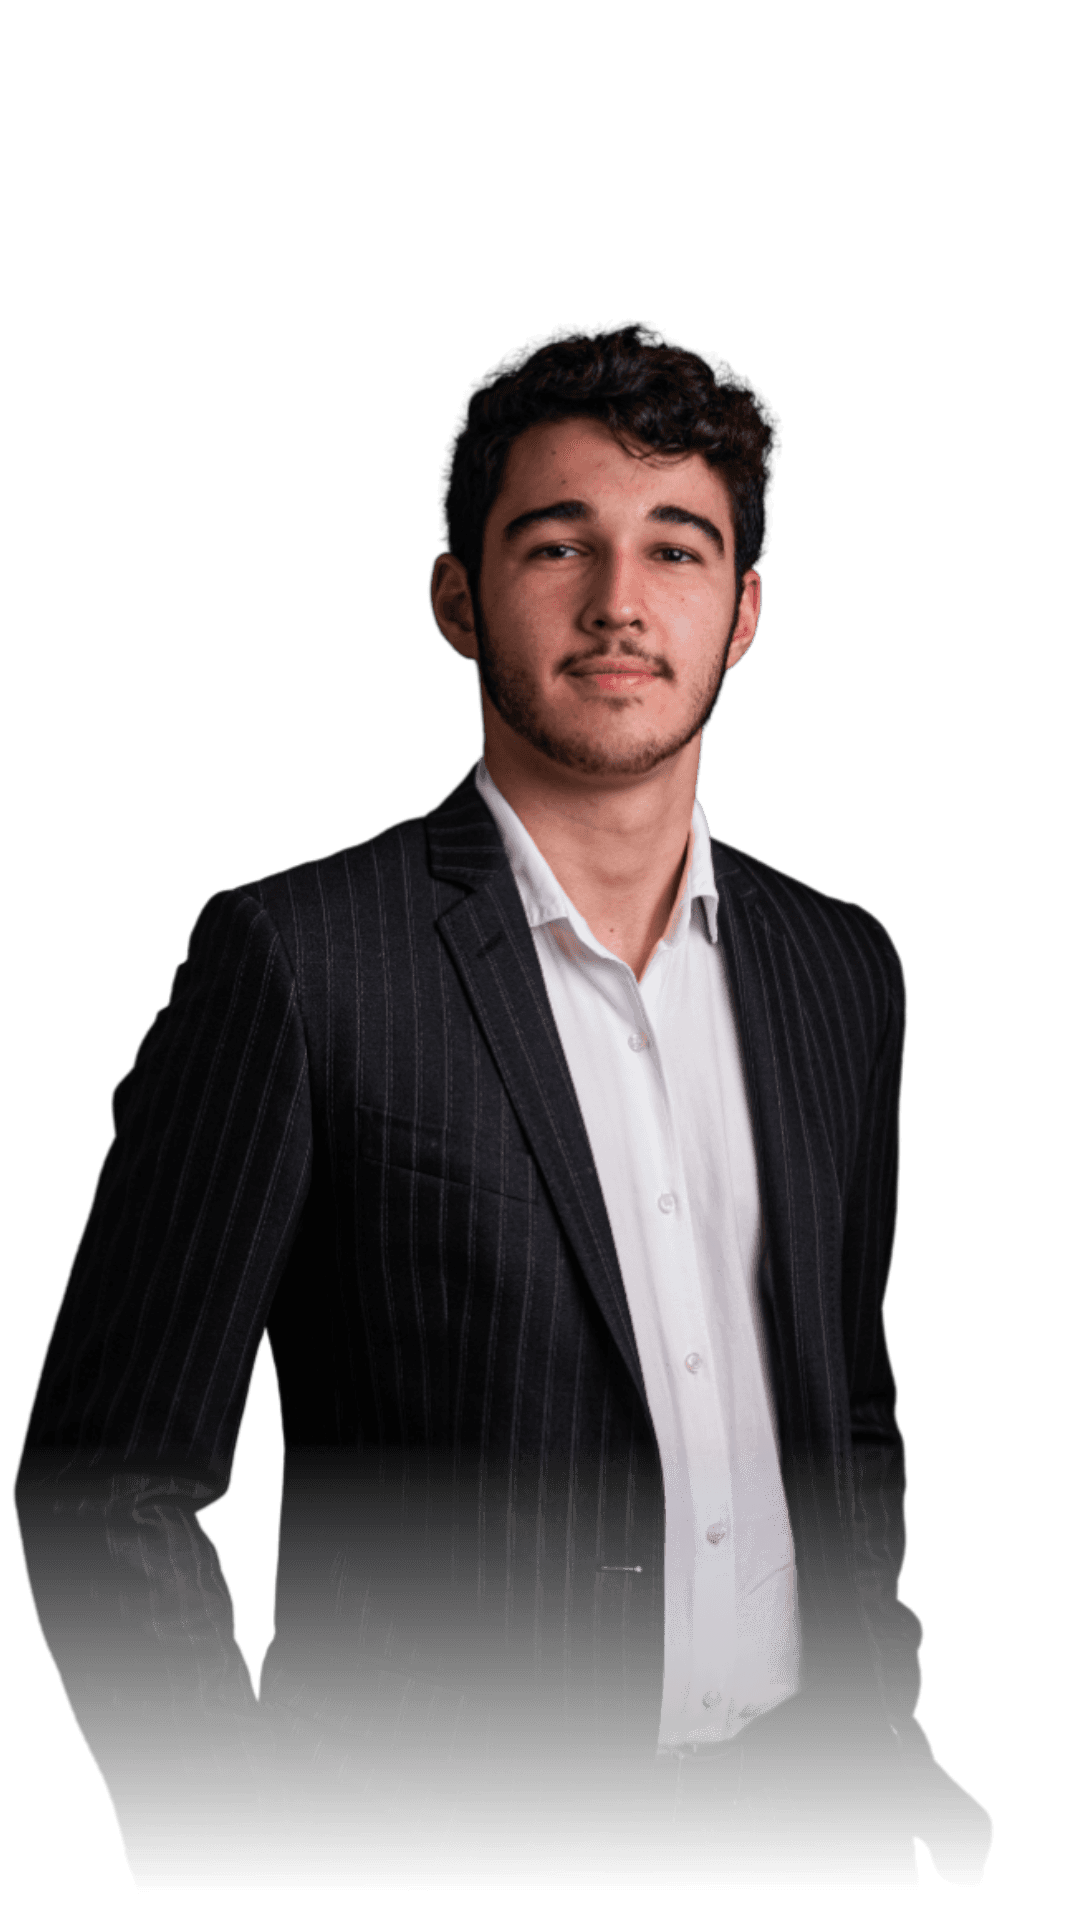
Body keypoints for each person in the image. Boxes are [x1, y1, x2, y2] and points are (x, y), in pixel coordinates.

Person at [13, 321, 993, 1888]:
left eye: (677, 548)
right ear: (457, 598)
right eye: (557, 544)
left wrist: (879, 1715)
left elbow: (848, 1405)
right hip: (441, 1842)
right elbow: (106, 1484)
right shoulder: (299, 961)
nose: (620, 602)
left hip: (811, 1824)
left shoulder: (842, 966)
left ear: (743, 613)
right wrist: (240, 1858)